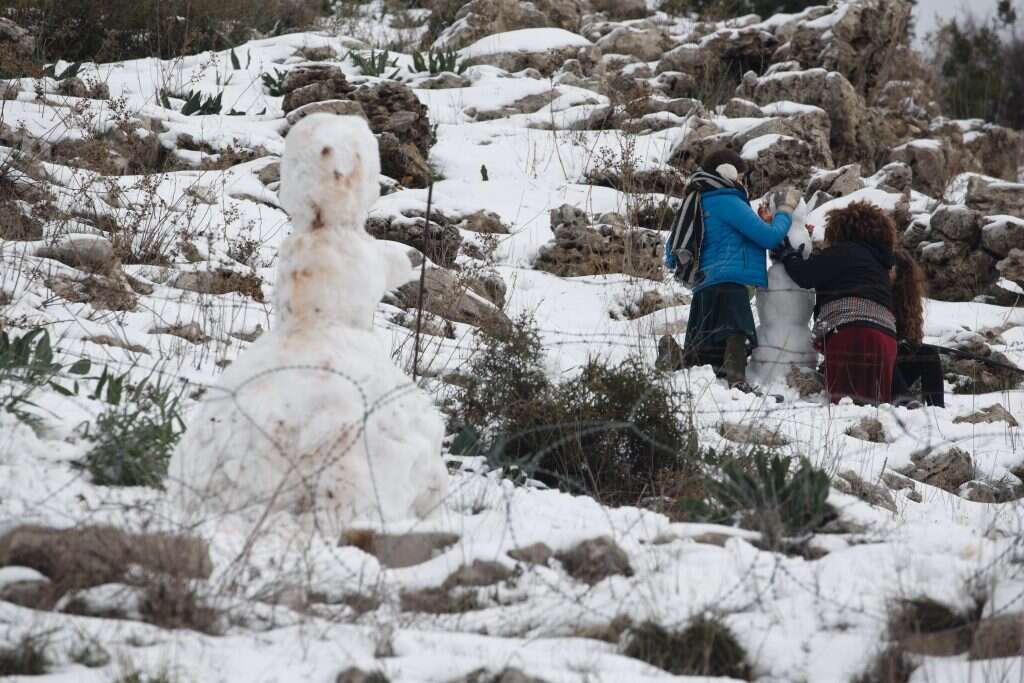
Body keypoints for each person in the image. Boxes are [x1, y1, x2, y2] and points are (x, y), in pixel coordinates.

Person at [665, 149, 798, 389]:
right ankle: (738, 381)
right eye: (740, 176)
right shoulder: (727, 199)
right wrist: (785, 212)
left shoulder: (699, 198)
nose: (742, 182)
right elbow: (769, 237)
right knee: (737, 331)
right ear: (727, 173)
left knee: (703, 354)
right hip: (729, 282)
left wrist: (760, 220)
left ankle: (670, 354)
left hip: (705, 284)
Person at [778, 201, 898, 404]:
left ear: (841, 229)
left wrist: (789, 256)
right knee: (875, 405)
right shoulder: (880, 266)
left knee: (845, 406)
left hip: (851, 332)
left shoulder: (844, 251)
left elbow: (805, 275)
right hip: (886, 338)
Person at [890, 249, 945, 407]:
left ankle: (937, 410)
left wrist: (906, 343)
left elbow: (913, 336)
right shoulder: (878, 293)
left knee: (929, 354)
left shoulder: (907, 302)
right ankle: (905, 400)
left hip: (896, 363)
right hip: (879, 363)